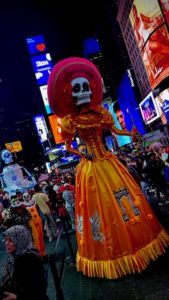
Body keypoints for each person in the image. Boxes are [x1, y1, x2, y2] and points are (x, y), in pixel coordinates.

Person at [47, 57, 169, 279]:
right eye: (77, 88)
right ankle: (111, 250)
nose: (83, 92)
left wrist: (130, 133)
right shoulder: (70, 121)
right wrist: (81, 153)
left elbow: (115, 131)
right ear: (69, 93)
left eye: (85, 87)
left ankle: (136, 242)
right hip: (92, 167)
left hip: (106, 161)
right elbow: (67, 147)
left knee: (124, 201)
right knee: (99, 209)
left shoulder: (101, 114)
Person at [0, 225, 49, 300]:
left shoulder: (28, 260)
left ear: (20, 240)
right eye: (6, 240)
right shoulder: (17, 256)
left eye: (10, 240)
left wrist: (16, 297)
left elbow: (38, 292)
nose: (6, 243)